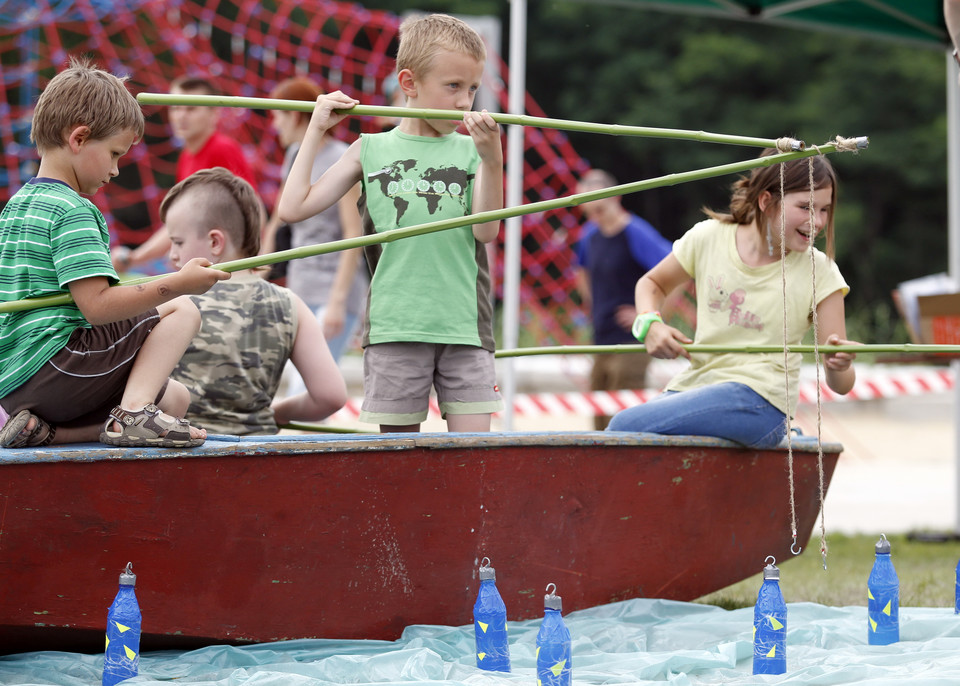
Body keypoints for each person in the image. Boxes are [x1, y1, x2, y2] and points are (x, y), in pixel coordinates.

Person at [278, 13, 504, 433]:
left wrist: (493, 161)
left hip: (466, 328)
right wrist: (316, 127)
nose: (464, 102)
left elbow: (486, 231)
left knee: (473, 460)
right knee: (398, 462)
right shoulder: (369, 149)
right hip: (394, 327)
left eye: (472, 88)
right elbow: (293, 208)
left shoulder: (474, 151)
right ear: (409, 84)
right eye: (453, 86)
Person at [0, 58, 229, 449]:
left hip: (15, 384)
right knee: (183, 308)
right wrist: (178, 284)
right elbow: (97, 306)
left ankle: (53, 434)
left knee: (175, 398)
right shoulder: (72, 209)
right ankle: (135, 412)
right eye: (114, 154)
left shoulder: (14, 207)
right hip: (60, 366)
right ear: (79, 139)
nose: (117, 170)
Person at [606, 152, 858, 448]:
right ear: (766, 201)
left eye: (825, 210)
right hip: (694, 388)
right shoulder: (708, 237)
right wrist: (650, 323)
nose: (817, 222)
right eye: (805, 207)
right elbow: (651, 283)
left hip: (761, 401)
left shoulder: (821, 272)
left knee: (622, 425)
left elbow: (841, 385)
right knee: (625, 440)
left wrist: (837, 366)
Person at [162, 167, 347, 435]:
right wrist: (276, 414)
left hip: (181, 453)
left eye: (177, 242)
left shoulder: (173, 302)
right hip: (257, 457)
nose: (172, 256)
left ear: (215, 242)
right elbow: (330, 397)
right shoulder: (290, 304)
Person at [263, 76, 369, 364]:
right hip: (301, 284)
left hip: (333, 288)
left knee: (311, 388)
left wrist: (337, 301)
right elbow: (278, 220)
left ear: (295, 115)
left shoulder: (341, 157)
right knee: (299, 382)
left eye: (278, 116)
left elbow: (353, 234)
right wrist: (255, 272)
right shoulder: (294, 154)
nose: (274, 125)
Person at [114, 75, 256, 273]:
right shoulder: (187, 156)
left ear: (214, 114)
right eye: (176, 107)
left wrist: (135, 258)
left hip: (225, 268)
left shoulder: (222, 149)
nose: (181, 116)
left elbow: (253, 211)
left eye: (190, 108)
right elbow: (182, 220)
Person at [574, 169, 672, 430]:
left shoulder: (636, 233)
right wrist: (591, 304)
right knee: (598, 415)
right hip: (601, 335)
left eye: (600, 210)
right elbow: (581, 269)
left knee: (623, 418)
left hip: (632, 338)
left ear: (615, 199)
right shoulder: (588, 235)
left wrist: (652, 315)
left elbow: (677, 273)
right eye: (589, 211)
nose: (595, 217)